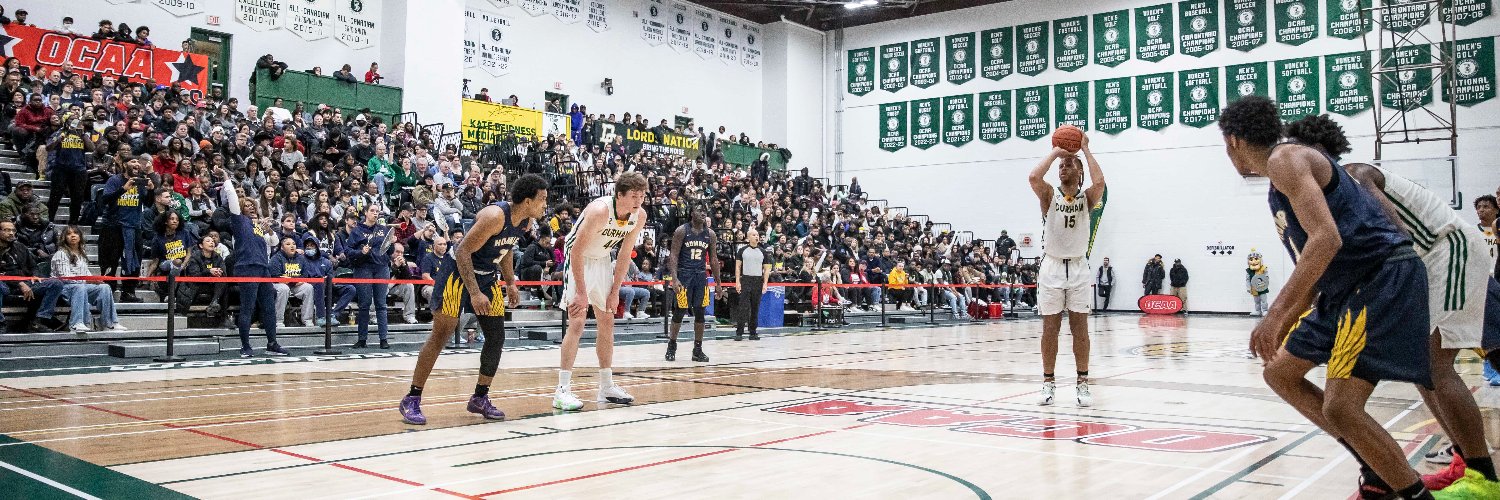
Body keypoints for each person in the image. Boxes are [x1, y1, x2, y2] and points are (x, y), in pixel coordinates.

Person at [1219, 96, 1451, 500]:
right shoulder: (1282, 176)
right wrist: (1289, 315)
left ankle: (1409, 493)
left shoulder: (1284, 160)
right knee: (1280, 373)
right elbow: (1318, 260)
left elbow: (1327, 239)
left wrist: (1275, 315)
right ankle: (1376, 469)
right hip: (1344, 285)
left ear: (1233, 141)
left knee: (1341, 408)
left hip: (1379, 278)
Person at [1286, 113, 1500, 495]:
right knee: (1424, 369)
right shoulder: (1326, 195)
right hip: (1429, 260)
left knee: (1435, 365)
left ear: (1314, 152)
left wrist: (1395, 289)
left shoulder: (1353, 174)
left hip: (1445, 251)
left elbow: (1394, 232)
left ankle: (1483, 477)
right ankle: (1464, 465)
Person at [400, 174, 549, 425]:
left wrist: (511, 282)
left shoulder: (523, 221)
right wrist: (475, 292)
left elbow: (507, 248)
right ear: (527, 200)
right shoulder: (495, 216)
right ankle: (411, 398)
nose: (546, 204)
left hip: (486, 275)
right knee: (441, 336)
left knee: (496, 336)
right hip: (457, 273)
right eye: (543, 199)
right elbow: (462, 252)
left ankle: (480, 397)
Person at [553, 172, 649, 411]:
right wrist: (581, 292)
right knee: (577, 321)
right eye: (634, 195)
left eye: (643, 195)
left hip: (602, 260)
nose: (639, 200)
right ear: (619, 195)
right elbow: (574, 251)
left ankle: (606, 386)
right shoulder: (600, 211)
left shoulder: (639, 216)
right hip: (579, 260)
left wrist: (616, 290)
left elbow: (625, 254)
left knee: (607, 320)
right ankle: (562, 390)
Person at [1027, 131, 1106, 407]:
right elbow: (1034, 177)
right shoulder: (1049, 195)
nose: (1063, 167)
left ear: (1080, 172)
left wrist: (1083, 150)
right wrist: (1057, 152)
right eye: (1062, 165)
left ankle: (1082, 383)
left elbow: (1100, 183)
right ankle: (1048, 383)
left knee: (1080, 328)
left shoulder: (1087, 199)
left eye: (1069, 165)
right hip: (1051, 267)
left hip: (1078, 267)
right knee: (1050, 329)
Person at [220, 171, 288, 357]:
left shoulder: (258, 226)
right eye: (246, 205)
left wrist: (270, 231)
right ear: (240, 208)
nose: (250, 207)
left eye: (253, 205)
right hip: (247, 267)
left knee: (268, 307)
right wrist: (227, 180)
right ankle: (245, 346)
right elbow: (233, 198)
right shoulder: (238, 221)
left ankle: (272, 343)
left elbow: (274, 243)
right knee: (247, 308)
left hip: (263, 268)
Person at [666, 204, 721, 362]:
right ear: (691, 213)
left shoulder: (710, 234)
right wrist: (674, 278)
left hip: (701, 277)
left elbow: (714, 259)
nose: (703, 212)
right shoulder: (682, 231)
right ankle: (672, 345)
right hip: (684, 275)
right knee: (680, 311)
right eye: (699, 210)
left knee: (701, 312)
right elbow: (674, 255)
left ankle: (697, 349)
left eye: (705, 210)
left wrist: (718, 283)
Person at [50, 226, 123, 332]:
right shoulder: (61, 254)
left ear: (80, 236)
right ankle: (77, 323)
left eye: (75, 233)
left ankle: (110, 323)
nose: (73, 236)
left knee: (104, 287)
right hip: (64, 288)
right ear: (64, 238)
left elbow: (86, 274)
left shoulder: (82, 254)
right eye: (69, 234)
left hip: (80, 286)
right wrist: (87, 281)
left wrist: (95, 280)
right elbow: (65, 278)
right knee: (80, 287)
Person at [99, 157, 148, 303]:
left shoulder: (140, 183)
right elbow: (105, 200)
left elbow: (149, 202)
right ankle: (107, 291)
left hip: (133, 226)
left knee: (134, 260)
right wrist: (123, 189)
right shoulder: (114, 180)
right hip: (113, 226)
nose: (137, 164)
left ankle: (128, 292)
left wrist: (151, 190)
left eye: (138, 162)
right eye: (133, 161)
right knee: (110, 260)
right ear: (125, 164)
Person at [347, 203, 395, 348]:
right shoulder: (357, 231)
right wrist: (361, 252)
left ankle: (383, 339)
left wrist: (392, 243)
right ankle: (362, 339)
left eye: (377, 211)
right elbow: (348, 252)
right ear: (365, 213)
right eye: (372, 211)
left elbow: (389, 250)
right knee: (364, 304)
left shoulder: (383, 229)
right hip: (363, 268)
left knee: (381, 304)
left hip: (381, 268)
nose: (375, 213)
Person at [46, 117, 91, 226]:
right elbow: (48, 148)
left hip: (79, 170)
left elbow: (92, 148)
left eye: (76, 121)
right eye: (71, 120)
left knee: (77, 197)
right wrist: (58, 140)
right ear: (66, 123)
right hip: (61, 168)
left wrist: (83, 135)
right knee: (55, 196)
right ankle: (49, 220)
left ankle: (73, 223)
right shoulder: (60, 133)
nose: (74, 123)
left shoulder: (83, 135)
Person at [270, 237, 314, 328]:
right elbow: (276, 276)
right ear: (282, 247)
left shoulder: (301, 259)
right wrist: (293, 280)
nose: (292, 246)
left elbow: (304, 276)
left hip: (295, 284)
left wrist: (291, 281)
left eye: (293, 244)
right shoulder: (276, 258)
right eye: (288, 244)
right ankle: (278, 320)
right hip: (278, 284)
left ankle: (307, 320)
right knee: (283, 288)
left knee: (308, 287)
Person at [734, 228, 769, 341]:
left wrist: (765, 283)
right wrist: (738, 282)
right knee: (743, 307)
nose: (756, 236)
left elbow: (766, 269)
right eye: (754, 235)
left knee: (755, 307)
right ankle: (739, 332)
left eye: (757, 235)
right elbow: (738, 267)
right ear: (748, 237)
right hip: (746, 279)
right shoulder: (742, 250)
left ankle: (753, 332)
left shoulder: (763, 252)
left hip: (757, 280)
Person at [1245, 250, 1270, 317]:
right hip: (1254, 288)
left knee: (1264, 300)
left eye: (1256, 259)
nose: (1254, 261)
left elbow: (1266, 277)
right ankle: (1258, 311)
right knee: (1256, 301)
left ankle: (1265, 310)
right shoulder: (1249, 271)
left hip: (1262, 287)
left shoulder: (1263, 268)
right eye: (1251, 259)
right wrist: (1248, 287)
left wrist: (1265, 281)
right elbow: (1247, 280)